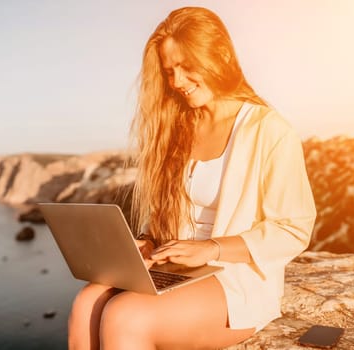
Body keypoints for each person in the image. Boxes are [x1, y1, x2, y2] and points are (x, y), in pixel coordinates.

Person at [68, 6, 316, 350]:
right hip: (176, 266)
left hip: (235, 278)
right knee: (86, 305)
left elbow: (292, 229)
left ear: (222, 55)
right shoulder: (180, 127)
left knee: (125, 316)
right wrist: (149, 241)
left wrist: (211, 248)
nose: (176, 82)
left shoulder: (268, 130)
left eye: (186, 67)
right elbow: (170, 214)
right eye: (170, 71)